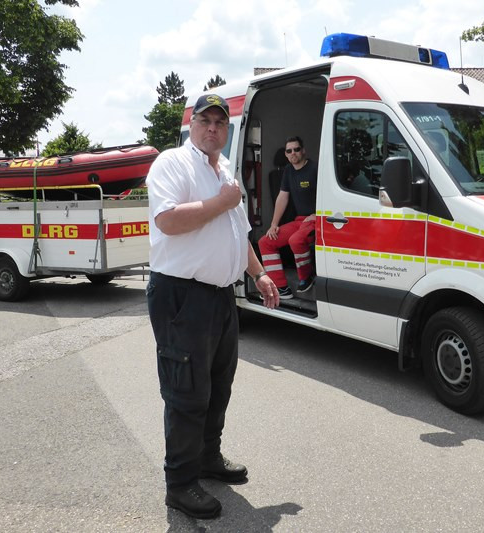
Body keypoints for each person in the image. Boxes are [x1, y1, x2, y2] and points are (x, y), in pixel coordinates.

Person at [145, 94, 279, 520]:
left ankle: (207, 457)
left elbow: (238, 234)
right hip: (182, 295)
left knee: (218, 386)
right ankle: (180, 483)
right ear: (193, 125)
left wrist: (258, 273)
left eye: (221, 122)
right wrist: (223, 201)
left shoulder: (224, 172)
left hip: (221, 297)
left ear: (227, 130)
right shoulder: (172, 163)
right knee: (186, 392)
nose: (213, 128)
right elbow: (168, 220)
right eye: (206, 120)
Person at [259, 136, 318, 299]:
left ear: (303, 151)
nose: (293, 153)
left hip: (317, 220)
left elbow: (327, 193)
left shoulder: (315, 168)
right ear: (285, 154)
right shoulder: (288, 171)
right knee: (265, 242)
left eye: (296, 149)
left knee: (295, 240)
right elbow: (283, 197)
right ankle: (280, 287)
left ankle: (306, 277)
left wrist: (318, 213)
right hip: (300, 221)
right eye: (289, 151)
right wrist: (274, 224)